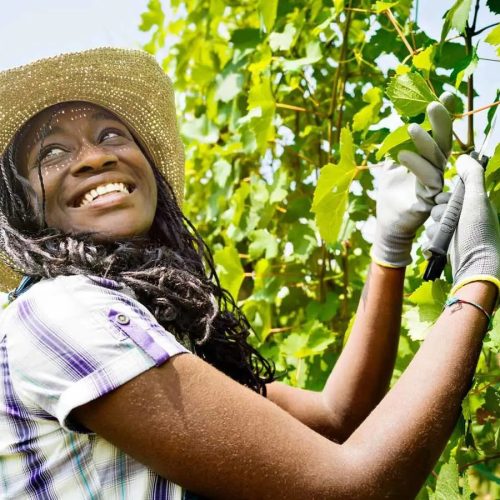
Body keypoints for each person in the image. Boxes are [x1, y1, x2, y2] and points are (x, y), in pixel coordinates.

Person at [0, 48, 498, 500]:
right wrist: (477, 279)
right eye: (53, 152)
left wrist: (388, 251)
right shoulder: (61, 311)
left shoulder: (143, 327)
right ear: (20, 208)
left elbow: (334, 419)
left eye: (111, 135)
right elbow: (355, 489)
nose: (96, 156)